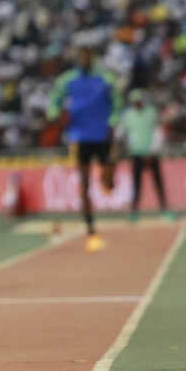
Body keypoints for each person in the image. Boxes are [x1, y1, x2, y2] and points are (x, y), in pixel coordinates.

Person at [47, 47, 121, 251]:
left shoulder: (105, 79)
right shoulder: (67, 80)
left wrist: (113, 119)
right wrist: (54, 112)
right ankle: (90, 227)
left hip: (102, 134)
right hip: (79, 137)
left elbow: (117, 100)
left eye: (87, 57)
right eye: (81, 57)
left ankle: (106, 177)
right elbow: (54, 98)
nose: (84, 61)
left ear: (92, 59)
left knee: (109, 179)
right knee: (85, 182)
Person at [116, 89, 173, 223]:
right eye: (135, 101)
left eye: (139, 101)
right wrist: (118, 140)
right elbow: (121, 132)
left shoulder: (151, 112)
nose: (137, 104)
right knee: (136, 185)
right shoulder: (128, 115)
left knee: (158, 183)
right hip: (136, 153)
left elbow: (158, 132)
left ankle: (164, 210)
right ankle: (134, 211)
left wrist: (153, 151)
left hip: (151, 154)